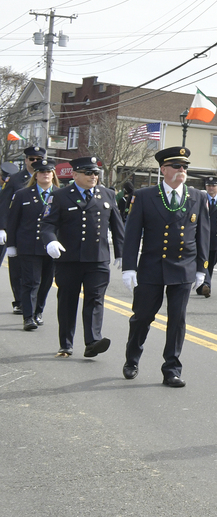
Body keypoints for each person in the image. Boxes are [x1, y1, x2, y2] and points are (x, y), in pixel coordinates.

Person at [120, 147, 210, 387]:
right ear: (164, 170)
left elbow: (203, 234)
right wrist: (129, 267)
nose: (182, 170)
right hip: (152, 265)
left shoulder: (197, 196)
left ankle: (172, 368)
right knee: (142, 317)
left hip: (183, 267)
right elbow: (132, 234)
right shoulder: (145, 195)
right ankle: (132, 359)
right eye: (177, 166)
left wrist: (202, 269)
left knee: (177, 320)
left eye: (185, 167)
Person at [41, 155, 124, 358]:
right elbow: (48, 224)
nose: (93, 176)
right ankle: (66, 343)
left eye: (96, 173)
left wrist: (122, 254)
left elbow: (118, 226)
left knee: (95, 299)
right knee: (68, 300)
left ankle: (93, 341)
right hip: (69, 259)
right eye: (88, 173)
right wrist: (50, 240)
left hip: (97, 259)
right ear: (75, 174)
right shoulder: (60, 195)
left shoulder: (107, 194)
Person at [5, 157, 57, 334]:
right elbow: (13, 221)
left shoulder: (60, 195)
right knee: (31, 282)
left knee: (46, 282)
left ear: (53, 174)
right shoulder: (22, 194)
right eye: (42, 172)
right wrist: (11, 244)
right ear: (36, 175)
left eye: (48, 172)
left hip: (51, 247)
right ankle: (28, 317)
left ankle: (38, 311)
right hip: (28, 245)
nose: (45, 175)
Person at [2, 144, 49, 316]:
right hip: (20, 230)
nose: (34, 162)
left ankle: (31, 304)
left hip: (41, 234)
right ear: (26, 160)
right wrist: (3, 228)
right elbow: (5, 205)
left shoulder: (48, 178)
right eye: (31, 159)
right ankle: (20, 301)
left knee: (39, 276)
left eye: (38, 160)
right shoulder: (15, 179)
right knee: (17, 269)